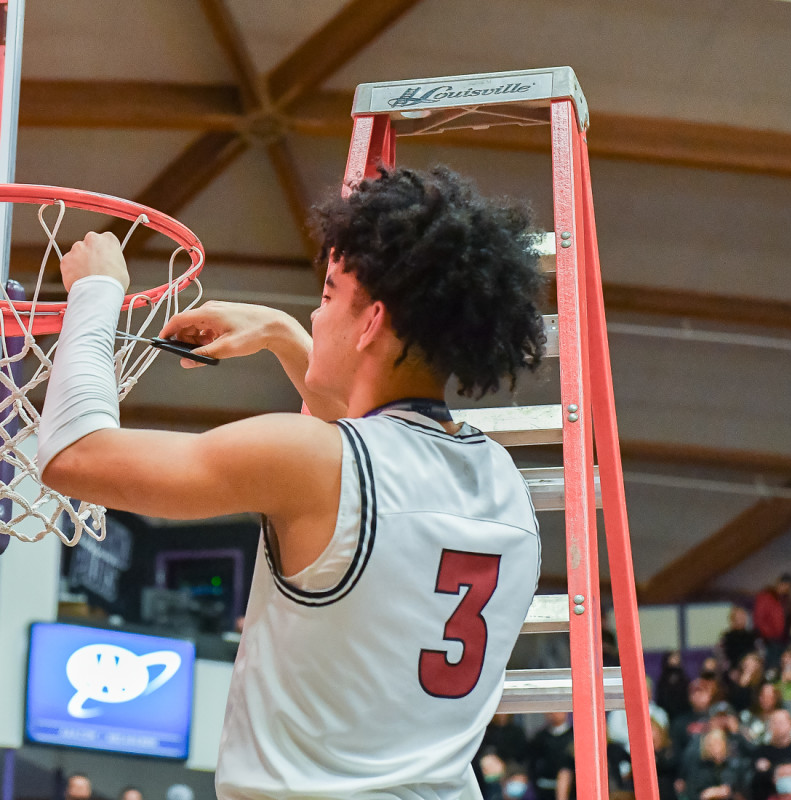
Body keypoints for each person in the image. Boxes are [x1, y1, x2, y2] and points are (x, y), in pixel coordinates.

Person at [40, 167, 546, 799]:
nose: (318, 310)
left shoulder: (312, 461)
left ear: (371, 323)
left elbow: (75, 456)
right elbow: (375, 453)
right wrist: (284, 334)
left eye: (330, 295)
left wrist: (94, 293)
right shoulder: (507, 489)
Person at [682, 729, 746, 800]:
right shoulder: (699, 769)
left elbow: (742, 791)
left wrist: (728, 792)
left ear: (724, 744)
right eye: (710, 745)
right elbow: (693, 794)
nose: (714, 748)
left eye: (718, 743)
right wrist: (708, 794)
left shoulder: (734, 766)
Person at [528, 712, 575, 800]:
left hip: (571, 789)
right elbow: (532, 764)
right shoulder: (540, 738)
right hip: (544, 787)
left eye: (558, 710)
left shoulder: (574, 736)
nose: (554, 713)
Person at [752, 709, 791, 800]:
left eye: (781, 722)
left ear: (790, 724)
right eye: (775, 723)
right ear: (769, 726)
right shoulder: (760, 752)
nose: (778, 726)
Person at [756, 575, 791, 671]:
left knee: (785, 665)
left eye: (788, 585)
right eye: (783, 584)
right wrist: (768, 634)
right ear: (778, 583)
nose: (785, 587)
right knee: (773, 665)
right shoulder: (767, 597)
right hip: (772, 639)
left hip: (786, 639)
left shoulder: (787, 599)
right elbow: (759, 619)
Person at [720, 606, 761, 671]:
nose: (740, 620)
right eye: (738, 618)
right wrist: (730, 669)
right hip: (731, 669)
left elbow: (759, 653)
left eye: (742, 617)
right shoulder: (726, 637)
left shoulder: (752, 636)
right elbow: (721, 656)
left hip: (751, 667)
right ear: (732, 620)